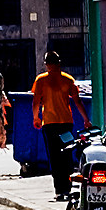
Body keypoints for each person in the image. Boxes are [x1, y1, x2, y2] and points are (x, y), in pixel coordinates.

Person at [32, 47, 86, 200]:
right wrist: (86, 119)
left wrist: (36, 118)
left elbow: (36, 102)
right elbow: (77, 101)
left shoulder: (41, 80)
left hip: (50, 124)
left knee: (54, 156)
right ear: (59, 63)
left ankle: (59, 190)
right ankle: (67, 188)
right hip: (66, 124)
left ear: (46, 64)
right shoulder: (68, 80)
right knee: (67, 154)